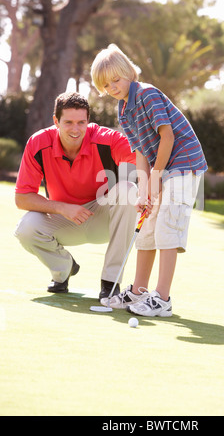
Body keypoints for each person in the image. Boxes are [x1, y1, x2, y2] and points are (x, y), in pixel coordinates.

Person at [90, 44, 208, 317]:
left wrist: (156, 176)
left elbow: (168, 137)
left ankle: (162, 298)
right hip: (161, 167)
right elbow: (141, 149)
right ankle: (139, 291)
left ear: (129, 72)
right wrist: (144, 189)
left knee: (168, 227)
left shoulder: (147, 94)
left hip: (183, 164)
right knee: (147, 228)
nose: (113, 87)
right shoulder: (123, 109)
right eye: (106, 85)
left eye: (116, 80)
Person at [14, 91, 138, 301]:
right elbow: (22, 198)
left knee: (128, 189)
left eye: (81, 122)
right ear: (56, 121)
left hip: (104, 220)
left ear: (88, 121)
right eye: (68, 122)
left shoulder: (108, 140)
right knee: (25, 229)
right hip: (64, 219)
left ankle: (111, 283)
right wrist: (62, 208)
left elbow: (142, 160)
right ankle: (64, 269)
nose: (75, 129)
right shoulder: (38, 143)